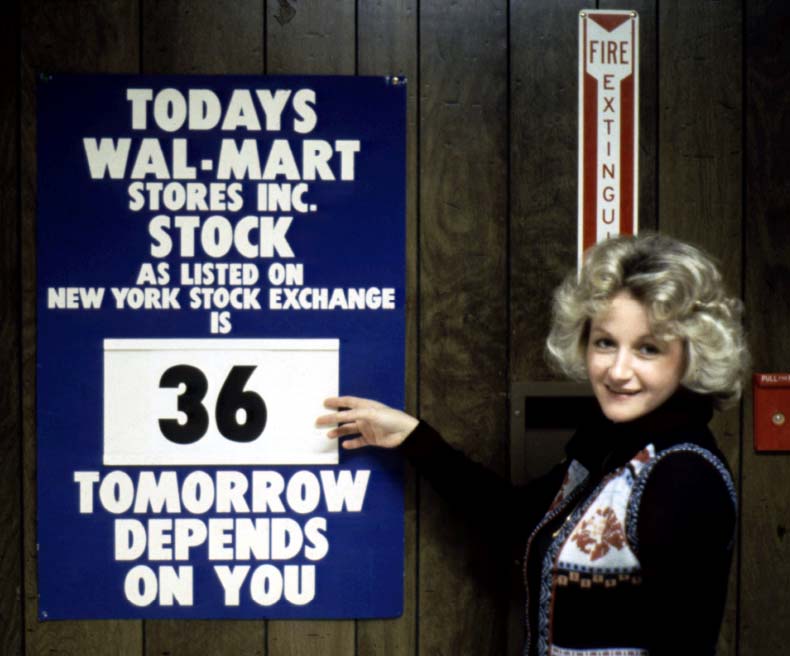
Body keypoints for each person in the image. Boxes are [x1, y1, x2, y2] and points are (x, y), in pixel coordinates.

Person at [317, 233, 748, 656]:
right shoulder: (610, 450)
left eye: (648, 349)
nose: (618, 370)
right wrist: (413, 438)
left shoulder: (681, 474)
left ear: (692, 356)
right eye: (605, 343)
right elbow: (513, 521)